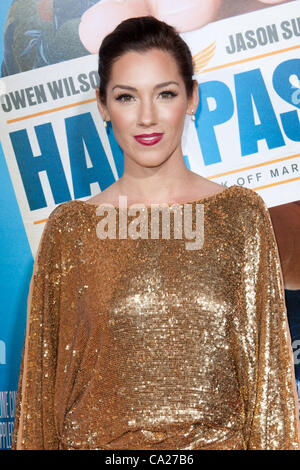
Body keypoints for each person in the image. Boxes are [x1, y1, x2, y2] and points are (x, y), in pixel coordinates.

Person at [12, 15, 300, 450]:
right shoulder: (69, 230)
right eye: (127, 97)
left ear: (191, 98)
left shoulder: (241, 216)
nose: (147, 117)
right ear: (104, 106)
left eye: (165, 94)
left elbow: (270, 390)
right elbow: (39, 395)